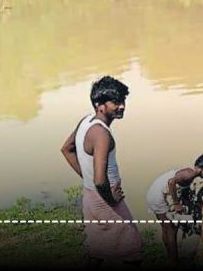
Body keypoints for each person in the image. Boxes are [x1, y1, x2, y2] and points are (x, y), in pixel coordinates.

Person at [60, 76, 142, 267]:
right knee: (132, 248)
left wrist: (86, 177)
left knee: (97, 243)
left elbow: (66, 149)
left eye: (123, 100)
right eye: (116, 102)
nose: (122, 106)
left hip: (90, 196)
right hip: (105, 198)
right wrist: (111, 198)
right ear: (100, 105)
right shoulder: (101, 134)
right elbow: (100, 180)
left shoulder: (86, 121)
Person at [146, 154, 203, 264]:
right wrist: (176, 203)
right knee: (171, 229)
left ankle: (169, 256)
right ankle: (174, 261)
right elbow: (171, 182)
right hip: (157, 196)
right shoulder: (189, 174)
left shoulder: (190, 173)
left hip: (155, 193)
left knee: (165, 228)